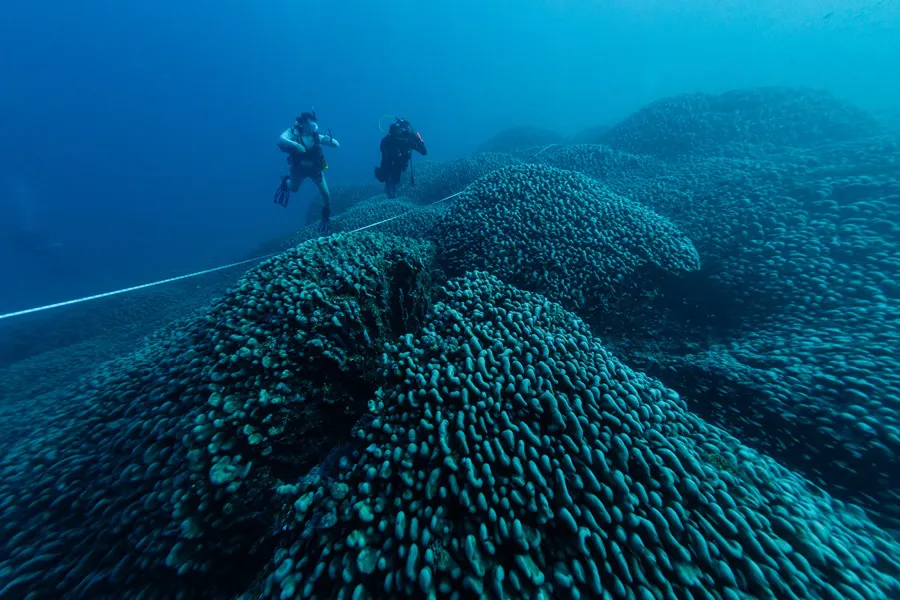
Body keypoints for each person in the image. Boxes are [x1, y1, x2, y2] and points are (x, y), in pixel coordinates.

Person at [274, 111, 339, 232]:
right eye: (311, 124)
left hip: (315, 169)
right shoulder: (293, 134)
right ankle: (285, 182)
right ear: (303, 123)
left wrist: (331, 141)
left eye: (314, 124)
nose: (314, 126)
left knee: (325, 194)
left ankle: (325, 217)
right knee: (293, 188)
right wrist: (293, 143)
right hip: (298, 169)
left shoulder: (317, 137)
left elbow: (336, 145)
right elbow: (281, 139)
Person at [374, 117, 427, 198]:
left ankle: (393, 191)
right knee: (386, 176)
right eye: (400, 131)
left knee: (396, 179)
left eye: (404, 131)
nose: (402, 134)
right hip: (390, 162)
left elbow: (424, 152)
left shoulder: (409, 139)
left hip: (401, 163)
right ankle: (389, 192)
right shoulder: (389, 141)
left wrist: (420, 141)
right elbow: (385, 159)